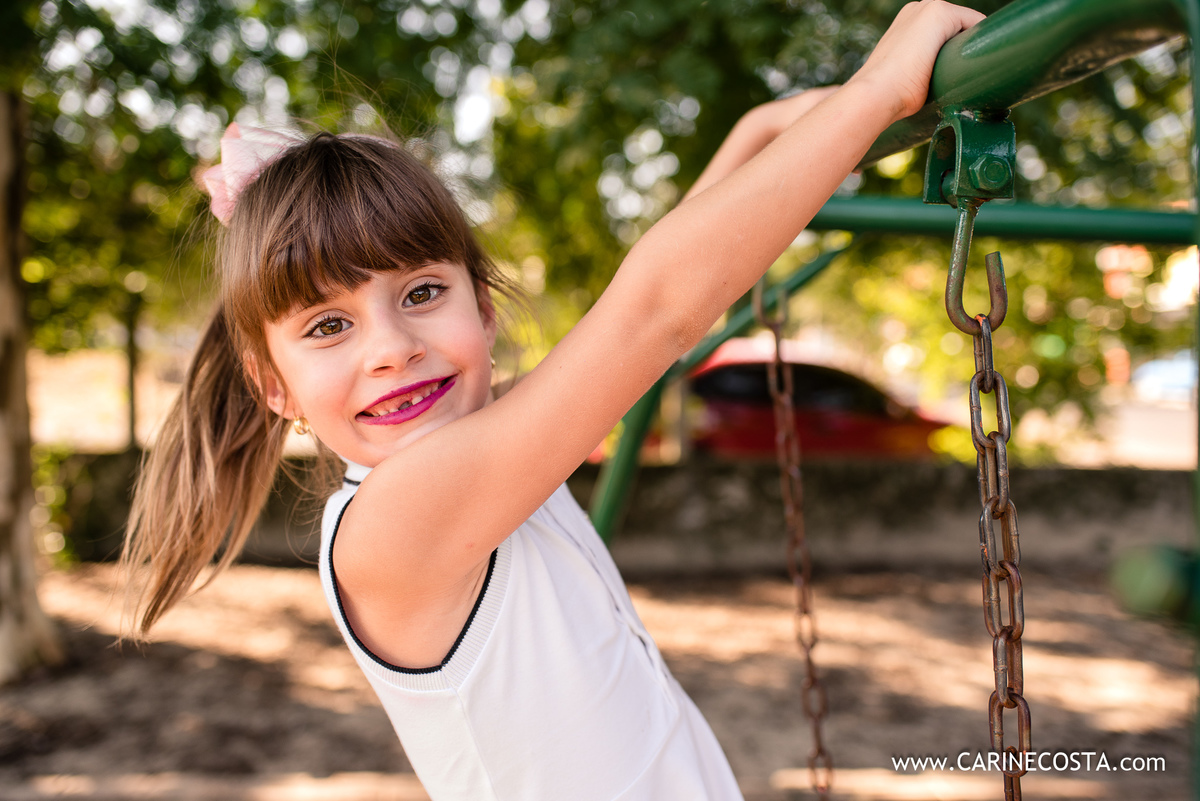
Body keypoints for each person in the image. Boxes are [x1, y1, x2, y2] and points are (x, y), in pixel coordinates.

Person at [122, 2, 984, 798]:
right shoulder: (393, 524)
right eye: (327, 327)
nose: (391, 348)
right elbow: (650, 312)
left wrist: (758, 133)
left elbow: (650, 326)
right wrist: (879, 90)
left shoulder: (489, 447)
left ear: (485, 307)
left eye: (422, 293)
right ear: (273, 386)